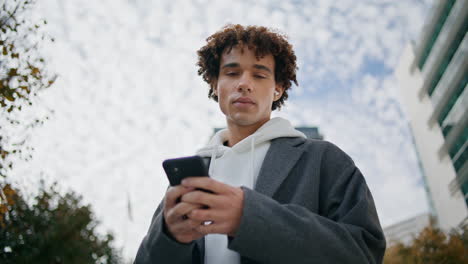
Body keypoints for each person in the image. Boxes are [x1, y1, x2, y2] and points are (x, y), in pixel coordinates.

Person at [135, 24, 386, 264]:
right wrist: (170, 238)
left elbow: (364, 253)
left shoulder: (325, 159)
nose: (244, 83)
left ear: (277, 89)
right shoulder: (188, 179)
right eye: (232, 73)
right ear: (215, 84)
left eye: (259, 74)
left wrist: (250, 218)